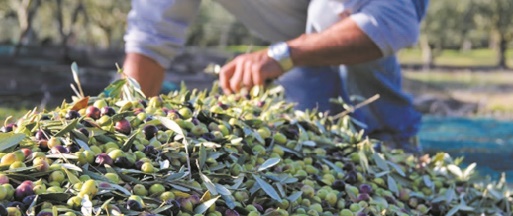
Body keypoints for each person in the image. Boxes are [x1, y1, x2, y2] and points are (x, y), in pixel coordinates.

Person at [123, 0, 429, 151]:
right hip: (295, 30)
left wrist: (280, 56)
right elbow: (148, 42)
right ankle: (326, 150)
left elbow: (392, 21)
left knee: (329, 13)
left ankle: (394, 142)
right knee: (314, 140)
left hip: (361, 8)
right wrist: (126, 126)